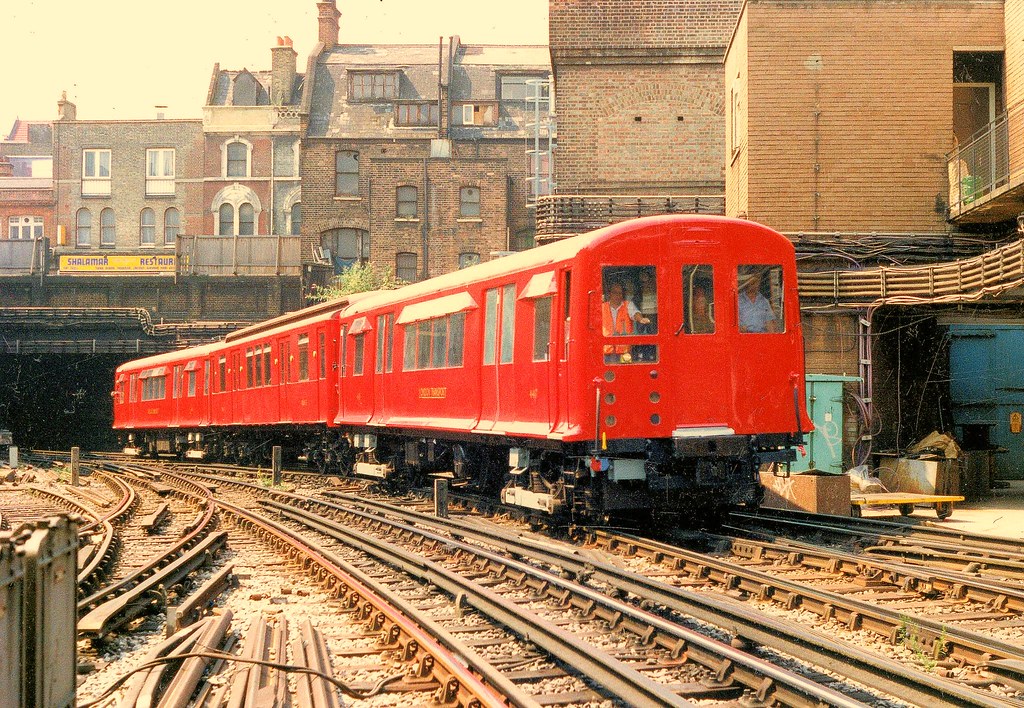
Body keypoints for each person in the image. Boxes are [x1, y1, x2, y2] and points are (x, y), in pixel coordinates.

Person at [602, 281, 650, 362]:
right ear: (610, 294)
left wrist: (641, 319)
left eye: (620, 293)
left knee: (625, 373)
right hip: (606, 351)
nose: (618, 295)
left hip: (625, 352)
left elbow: (635, 313)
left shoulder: (628, 305)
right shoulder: (602, 307)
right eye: (615, 293)